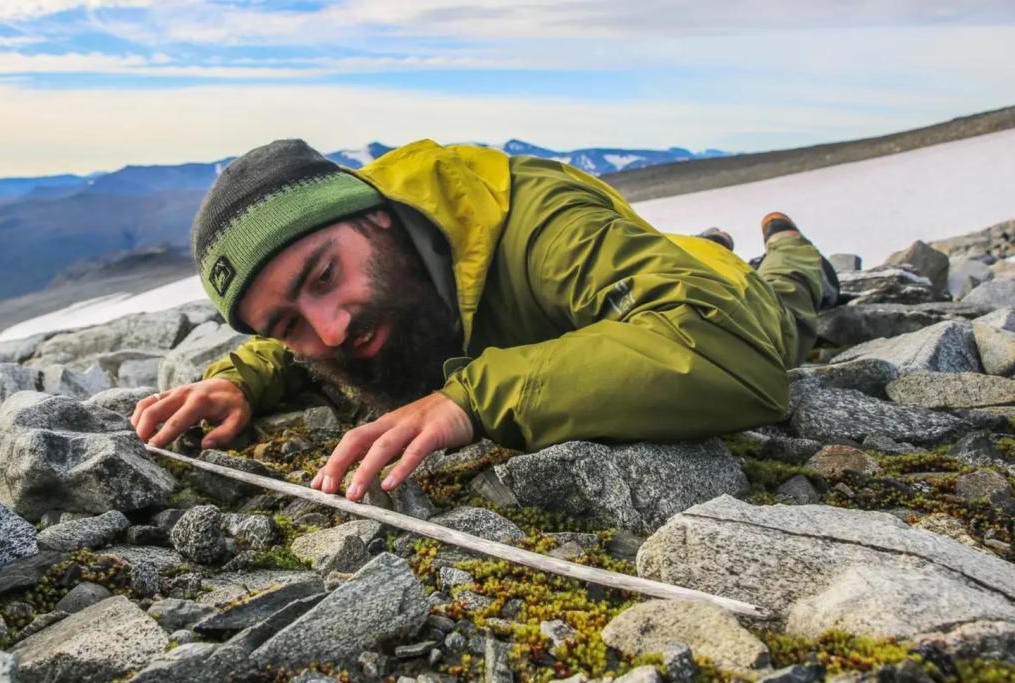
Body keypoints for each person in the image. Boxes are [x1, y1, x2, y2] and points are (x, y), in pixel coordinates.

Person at [131, 138, 838, 502]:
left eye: (323, 276)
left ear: (376, 215)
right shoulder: (359, 286)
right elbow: (306, 344)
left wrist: (474, 398)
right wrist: (241, 378)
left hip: (722, 296)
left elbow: (728, 352)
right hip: (622, 283)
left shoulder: (530, 213)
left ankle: (791, 246)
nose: (332, 330)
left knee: (780, 305)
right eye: (286, 323)